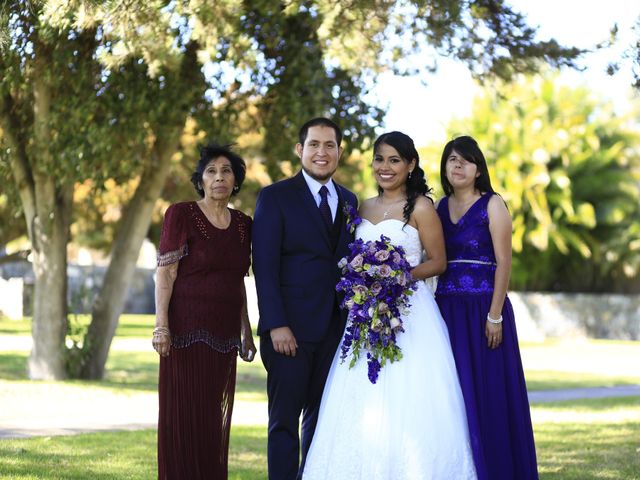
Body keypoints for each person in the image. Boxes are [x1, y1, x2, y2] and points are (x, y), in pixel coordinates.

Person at [303, 131, 477, 480]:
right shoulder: (362, 206)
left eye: (394, 160)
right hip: (365, 317)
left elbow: (439, 261)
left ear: (410, 165)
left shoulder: (422, 207)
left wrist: (396, 276)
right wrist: (363, 282)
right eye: (379, 159)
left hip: (411, 315)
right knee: (359, 400)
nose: (385, 167)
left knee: (409, 399)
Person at [252, 117, 358, 480]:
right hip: (289, 332)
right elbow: (263, 267)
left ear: (340, 152)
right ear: (300, 150)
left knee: (321, 420)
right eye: (314, 144)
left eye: (329, 145)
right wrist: (276, 324)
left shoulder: (349, 201)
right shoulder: (275, 197)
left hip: (334, 331)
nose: (321, 152)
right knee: (284, 422)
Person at [434, 135, 538, 480]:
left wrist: (494, 315)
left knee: (489, 390)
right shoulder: (436, 208)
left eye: (465, 160)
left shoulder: (493, 204)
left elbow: (504, 263)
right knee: (454, 391)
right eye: (451, 159)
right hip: (446, 311)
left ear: (478, 169)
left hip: (483, 310)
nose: (457, 165)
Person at [152, 143, 257, 480]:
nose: (219, 178)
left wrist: (246, 330)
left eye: (226, 171)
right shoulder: (180, 214)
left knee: (212, 418)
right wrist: (160, 326)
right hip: (185, 332)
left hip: (225, 337)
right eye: (211, 171)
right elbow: (166, 273)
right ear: (200, 179)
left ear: (235, 180)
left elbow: (237, 280)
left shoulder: (243, 224)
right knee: (184, 417)